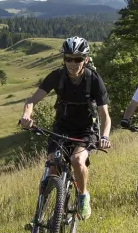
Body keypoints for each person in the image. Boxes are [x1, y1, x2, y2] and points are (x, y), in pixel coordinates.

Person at [19, 36, 111, 220]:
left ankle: (83, 196)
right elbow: (32, 100)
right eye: (68, 58)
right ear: (63, 59)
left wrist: (105, 136)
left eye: (77, 59)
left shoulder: (93, 80)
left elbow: (105, 116)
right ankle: (40, 214)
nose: (72, 63)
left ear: (85, 59)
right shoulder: (57, 76)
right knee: (52, 166)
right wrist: (26, 116)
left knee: (77, 161)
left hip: (86, 130)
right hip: (61, 127)